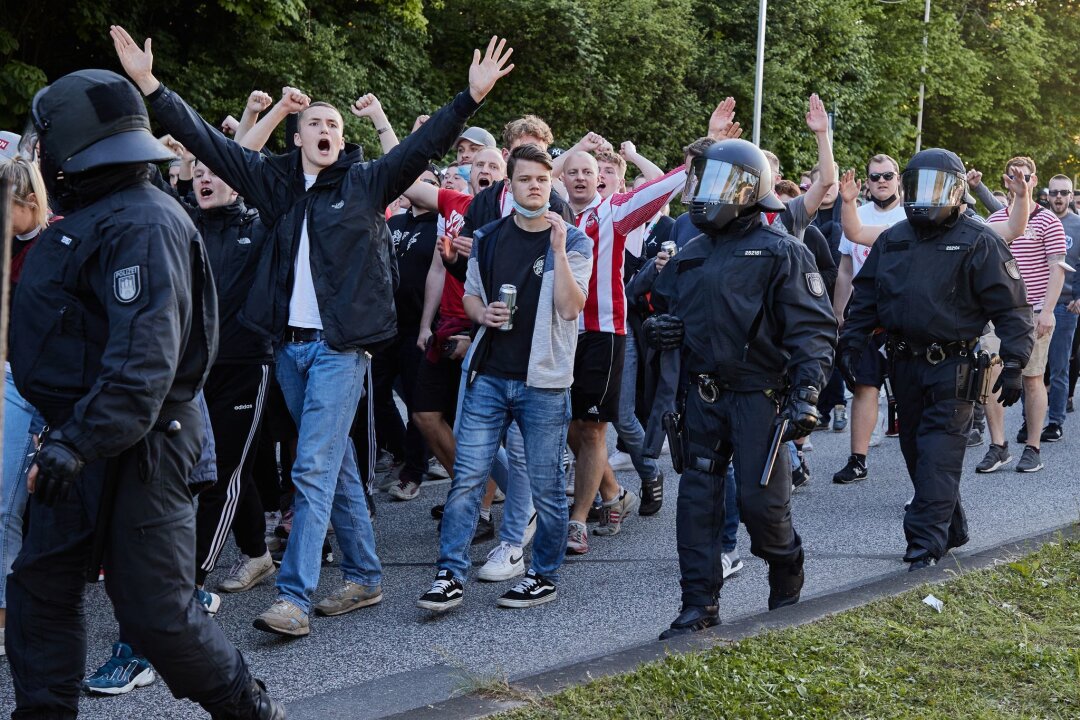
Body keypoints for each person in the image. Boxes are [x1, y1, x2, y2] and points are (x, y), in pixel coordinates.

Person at [113, 25, 516, 636]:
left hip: (340, 350)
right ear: (298, 135)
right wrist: (150, 86)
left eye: (333, 126)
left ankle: (295, 598)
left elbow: (423, 146)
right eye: (315, 125)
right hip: (288, 350)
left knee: (311, 466)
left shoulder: (365, 183)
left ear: (340, 138)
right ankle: (364, 576)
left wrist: (470, 98)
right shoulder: (273, 185)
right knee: (339, 470)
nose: (325, 132)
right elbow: (206, 143)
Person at [8, 68, 283, 718]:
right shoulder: (95, 215)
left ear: (73, 140)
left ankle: (251, 710)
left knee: (156, 613)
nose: (36, 149)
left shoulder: (145, 222)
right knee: (39, 585)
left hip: (143, 443)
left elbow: (145, 362)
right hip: (81, 439)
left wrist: (75, 441)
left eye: (43, 136)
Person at [646, 139, 837, 639]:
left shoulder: (782, 252)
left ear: (751, 190)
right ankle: (698, 606)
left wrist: (806, 393)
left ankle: (786, 561)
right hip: (703, 398)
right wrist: (664, 332)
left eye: (719, 183)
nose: (707, 194)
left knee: (760, 503)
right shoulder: (691, 253)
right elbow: (668, 313)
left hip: (761, 396)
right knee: (697, 505)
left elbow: (813, 331)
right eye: (703, 181)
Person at [837, 148, 1034, 569]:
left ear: (957, 191)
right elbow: (866, 296)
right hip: (904, 364)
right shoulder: (894, 239)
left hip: (956, 365)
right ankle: (952, 525)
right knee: (915, 452)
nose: (925, 197)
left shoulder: (978, 239)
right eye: (918, 187)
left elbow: (1012, 308)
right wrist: (850, 344)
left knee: (938, 453)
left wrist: (1015, 362)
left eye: (935, 188)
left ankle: (924, 545)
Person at [416, 144, 592, 612]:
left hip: (544, 382)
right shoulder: (490, 236)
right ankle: (448, 575)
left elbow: (571, 308)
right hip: (488, 377)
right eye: (524, 179)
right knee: (467, 481)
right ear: (508, 186)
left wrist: (555, 249)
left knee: (547, 485)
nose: (534, 186)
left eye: (541, 179)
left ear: (549, 184)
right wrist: (484, 313)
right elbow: (471, 299)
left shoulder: (573, 240)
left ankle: (543, 573)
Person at [978, 156, 1066, 473]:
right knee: (988, 376)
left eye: (1026, 176)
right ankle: (998, 446)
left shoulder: (1048, 221)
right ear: (1005, 181)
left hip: (1035, 313)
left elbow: (1058, 270)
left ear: (1034, 179)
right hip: (995, 316)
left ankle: (1033, 446)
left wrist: (1049, 312)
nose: (1020, 180)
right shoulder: (993, 221)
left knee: (1032, 379)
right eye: (1014, 176)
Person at [831, 154, 906, 484]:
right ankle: (857, 458)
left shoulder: (912, 216)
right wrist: (837, 312)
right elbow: (846, 269)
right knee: (864, 386)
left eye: (887, 175)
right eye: (874, 177)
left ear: (898, 178)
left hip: (906, 313)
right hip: (866, 313)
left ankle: (923, 466)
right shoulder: (855, 215)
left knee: (911, 389)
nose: (881, 181)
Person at [0, 155, 49, 660]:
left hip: (50, 383)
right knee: (5, 501)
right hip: (12, 378)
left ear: (30, 203)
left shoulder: (58, 242)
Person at [1041, 174, 1080, 441]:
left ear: (1070, 195)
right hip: (1034, 305)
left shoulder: (1079, 225)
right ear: (1047, 195)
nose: (1058, 197)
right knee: (1031, 369)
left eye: (1063, 193)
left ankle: (1055, 421)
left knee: (1059, 368)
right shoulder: (1037, 221)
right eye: (1054, 192)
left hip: (1065, 307)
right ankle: (1027, 421)